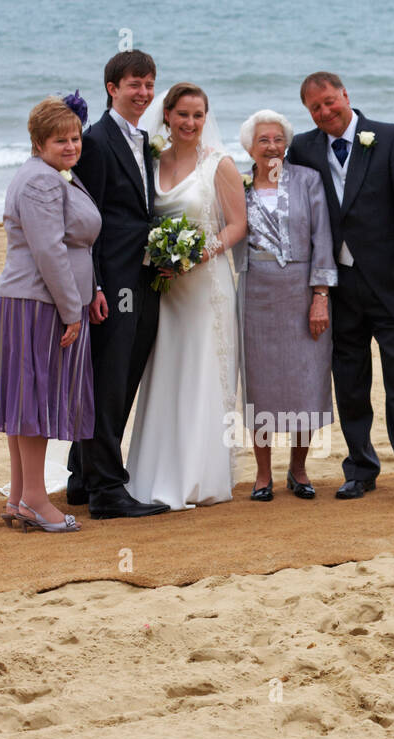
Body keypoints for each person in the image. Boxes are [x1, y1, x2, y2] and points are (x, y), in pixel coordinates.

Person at [287, 72, 394, 504]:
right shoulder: (303, 147)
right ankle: (360, 470)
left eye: (329, 102)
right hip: (338, 286)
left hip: (392, 284)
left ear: (345, 96)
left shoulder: (393, 138)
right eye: (315, 108)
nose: (325, 112)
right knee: (350, 383)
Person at [124, 83, 247, 510]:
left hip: (205, 287)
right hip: (163, 287)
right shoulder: (152, 159)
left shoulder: (220, 165)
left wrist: (197, 255)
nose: (190, 123)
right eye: (182, 115)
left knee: (200, 372)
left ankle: (198, 477)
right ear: (168, 116)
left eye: (198, 115)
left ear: (206, 118)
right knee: (164, 373)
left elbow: (236, 225)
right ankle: (151, 474)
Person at [0, 94, 100, 533]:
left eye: (74, 138)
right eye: (60, 140)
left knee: (24, 399)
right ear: (38, 142)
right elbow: (48, 249)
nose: (71, 146)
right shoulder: (41, 182)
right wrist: (73, 309)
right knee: (34, 400)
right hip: (40, 302)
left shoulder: (48, 174)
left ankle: (20, 497)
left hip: (33, 300)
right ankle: (35, 498)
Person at [65, 50, 170, 520]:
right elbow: (87, 222)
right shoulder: (96, 141)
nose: (143, 93)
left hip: (143, 276)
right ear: (112, 88)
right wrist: (96, 288)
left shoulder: (144, 138)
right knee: (108, 381)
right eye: (134, 84)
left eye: (149, 84)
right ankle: (108, 491)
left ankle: (80, 478)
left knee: (124, 378)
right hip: (112, 283)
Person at [234, 109, 337, 501]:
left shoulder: (308, 181)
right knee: (259, 384)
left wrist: (320, 297)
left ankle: (298, 467)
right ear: (250, 146)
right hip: (255, 292)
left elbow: (322, 239)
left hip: (300, 291)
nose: (272, 147)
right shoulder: (239, 184)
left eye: (278, 139)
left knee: (305, 381)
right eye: (263, 140)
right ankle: (263, 474)